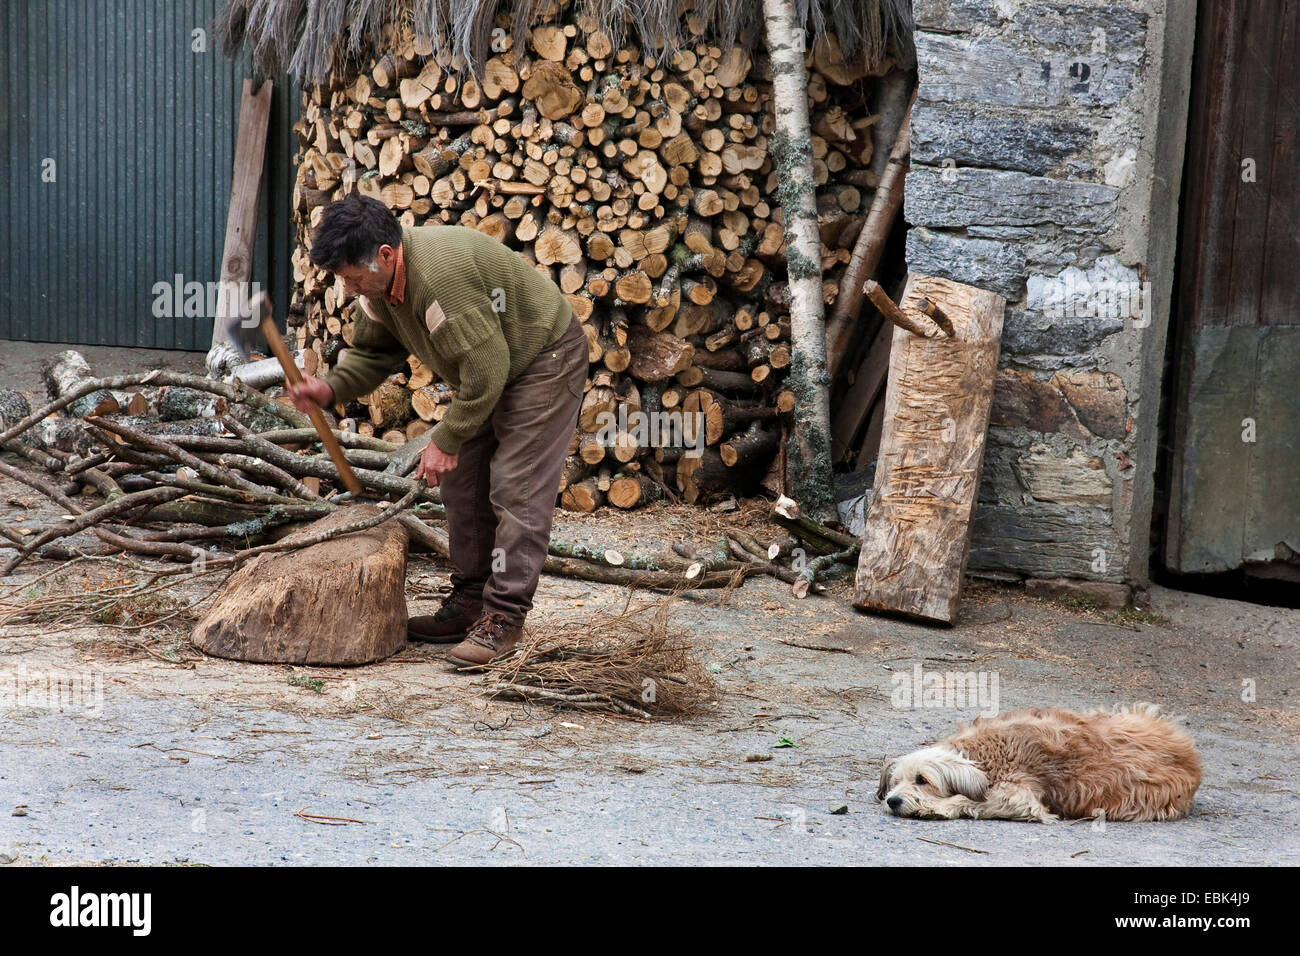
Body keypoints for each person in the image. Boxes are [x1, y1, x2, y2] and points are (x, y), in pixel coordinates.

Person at [287, 195, 587, 668]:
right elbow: (372, 356)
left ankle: (504, 618)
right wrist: (329, 388)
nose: (346, 290)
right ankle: (470, 603)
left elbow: (488, 373)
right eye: (341, 279)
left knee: (515, 484)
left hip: (543, 359)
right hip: (491, 366)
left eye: (351, 277)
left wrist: (445, 440)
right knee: (463, 483)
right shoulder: (378, 291)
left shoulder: (442, 279)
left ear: (386, 255)